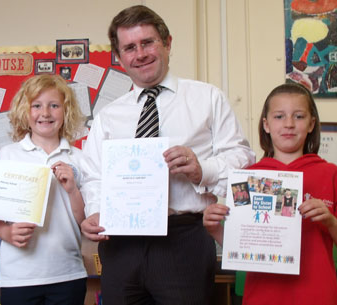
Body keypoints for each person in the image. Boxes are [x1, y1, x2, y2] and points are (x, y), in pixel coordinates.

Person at [80, 5, 255, 304]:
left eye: (148, 42)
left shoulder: (207, 98)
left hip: (184, 238)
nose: (141, 53)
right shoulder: (109, 115)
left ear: (167, 43)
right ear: (120, 58)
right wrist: (95, 211)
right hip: (121, 242)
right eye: (130, 48)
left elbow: (243, 161)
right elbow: (93, 174)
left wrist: (202, 169)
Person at [203, 83, 337, 305]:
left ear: (311, 124)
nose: (289, 124)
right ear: (266, 124)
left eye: (298, 116)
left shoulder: (332, 175)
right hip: (261, 298)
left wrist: (330, 221)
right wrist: (214, 229)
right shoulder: (247, 178)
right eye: (279, 116)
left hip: (318, 297)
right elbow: (242, 250)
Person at [0, 74, 88, 305]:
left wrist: (73, 189)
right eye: (37, 106)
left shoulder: (80, 158)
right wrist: (6, 233)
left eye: (54, 105)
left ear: (66, 112)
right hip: (18, 276)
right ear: (26, 111)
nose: (45, 113)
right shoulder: (8, 155)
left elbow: (85, 220)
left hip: (68, 273)